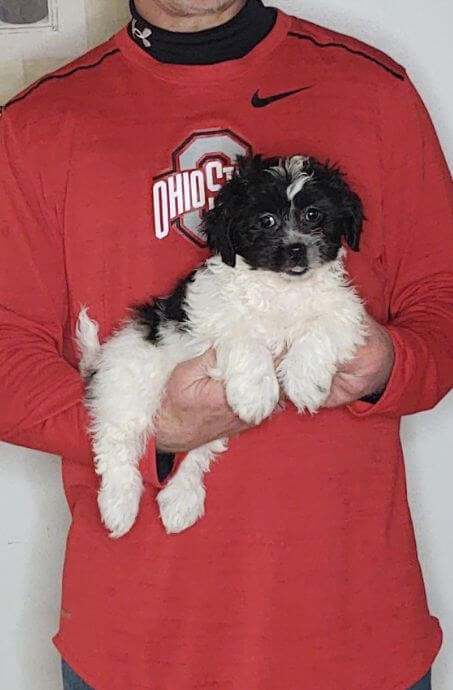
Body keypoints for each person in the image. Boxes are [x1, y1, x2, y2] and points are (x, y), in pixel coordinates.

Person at [0, 0, 451, 688]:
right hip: (137, 648)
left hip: (355, 637)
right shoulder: (35, 125)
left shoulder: (374, 89)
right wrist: (155, 428)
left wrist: (391, 364)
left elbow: (440, 297)